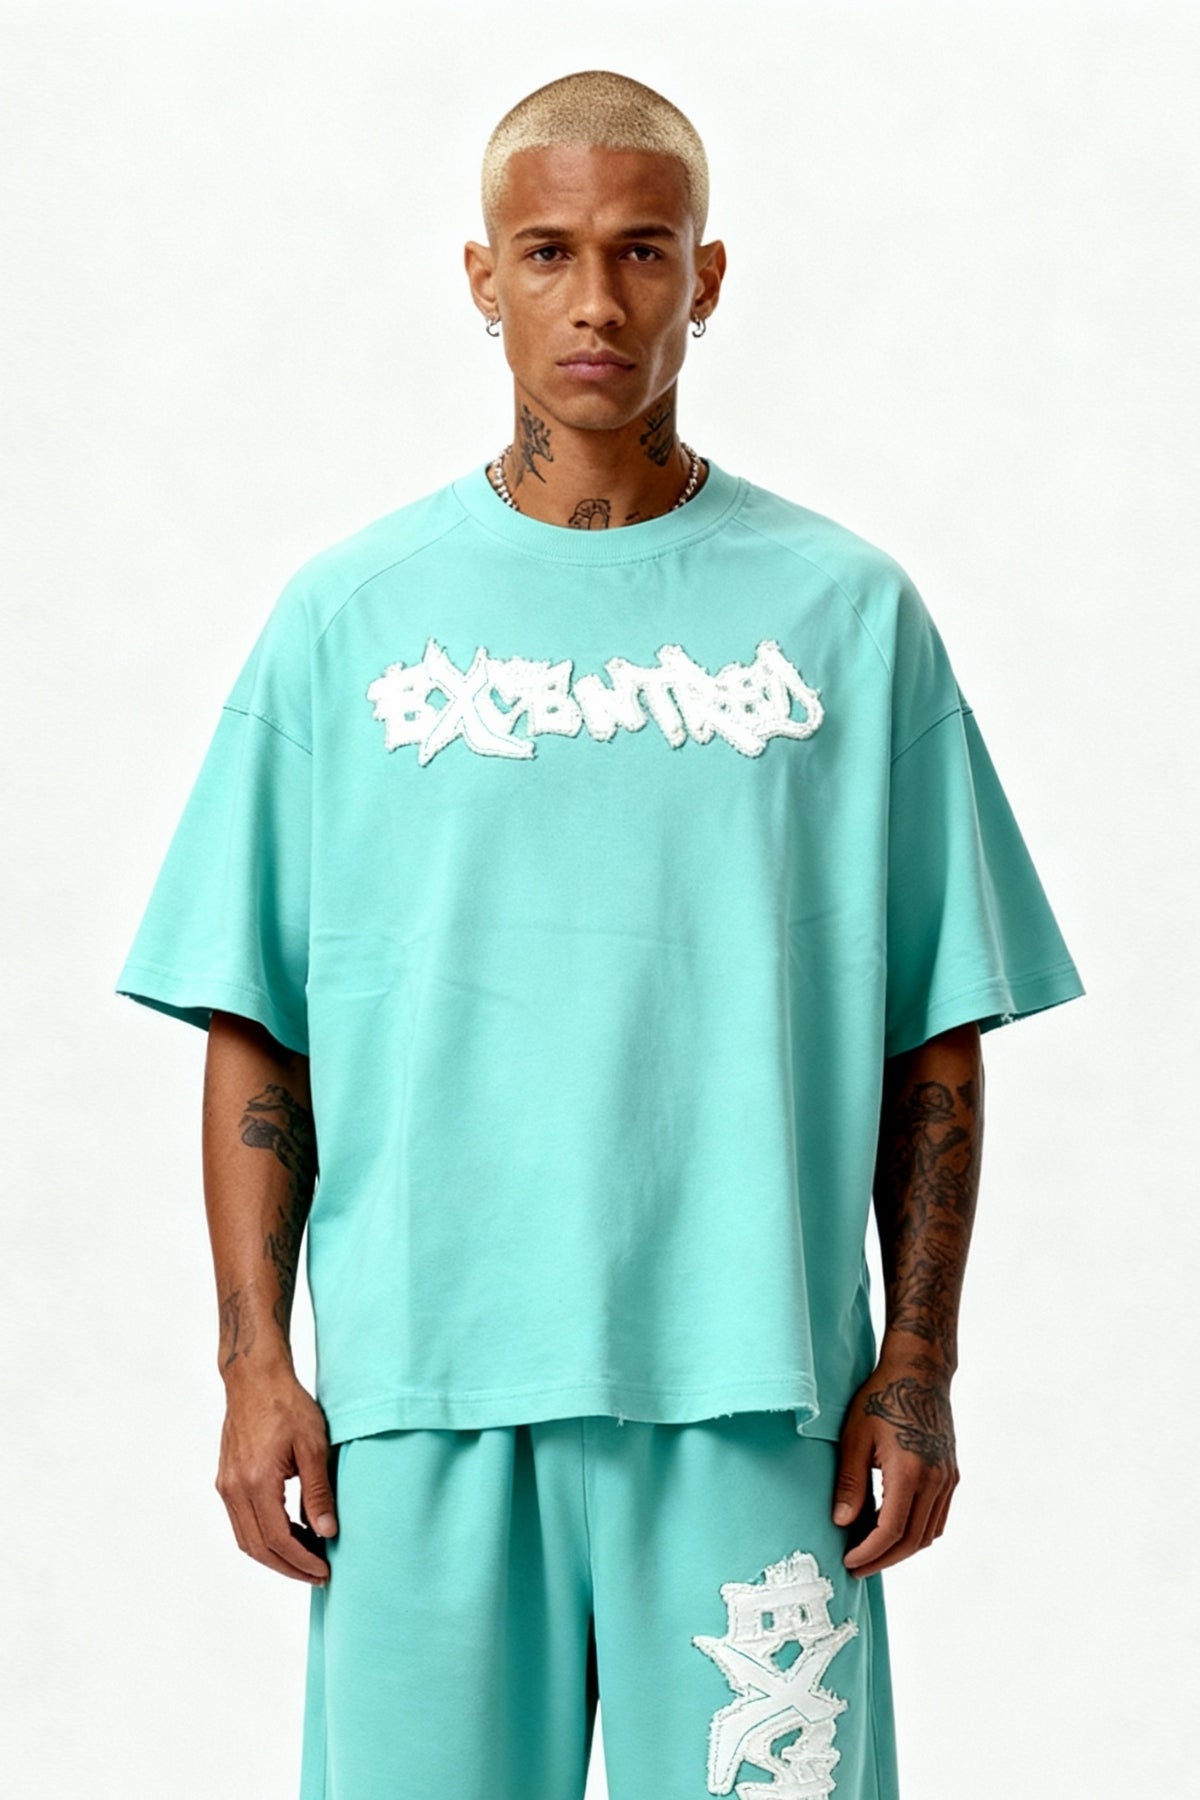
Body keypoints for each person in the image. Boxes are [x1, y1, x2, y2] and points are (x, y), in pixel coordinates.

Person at [114, 67, 1086, 1799]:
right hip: (421, 1400)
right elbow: (257, 1020)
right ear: (480, 276)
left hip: (757, 1402)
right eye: (548, 251)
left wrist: (919, 1369)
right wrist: (256, 1368)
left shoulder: (845, 616)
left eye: (642, 251)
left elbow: (932, 1025)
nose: (595, 299)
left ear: (705, 277)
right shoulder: (349, 620)